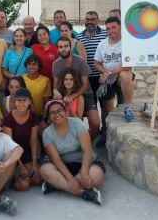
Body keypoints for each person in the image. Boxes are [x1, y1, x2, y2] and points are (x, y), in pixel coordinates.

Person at [40, 100, 105, 205]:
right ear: (49, 116)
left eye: (59, 110)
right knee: (45, 170)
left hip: (85, 162)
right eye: (52, 112)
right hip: (63, 165)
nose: (57, 114)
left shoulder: (77, 123)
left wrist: (84, 174)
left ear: (65, 111)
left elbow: (87, 150)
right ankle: (83, 193)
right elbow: (56, 160)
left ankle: (57, 184)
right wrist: (70, 180)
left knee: (96, 177)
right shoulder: (47, 133)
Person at [52, 37, 100, 141]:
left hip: (85, 93)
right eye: (60, 47)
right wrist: (55, 90)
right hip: (66, 94)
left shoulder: (80, 61)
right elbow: (55, 85)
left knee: (95, 123)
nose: (63, 49)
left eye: (66, 46)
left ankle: (87, 144)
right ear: (57, 49)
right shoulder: (56, 64)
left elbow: (85, 85)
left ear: (70, 47)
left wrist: (73, 96)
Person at [94, 16, 135, 125]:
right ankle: (106, 130)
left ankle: (128, 108)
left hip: (120, 76)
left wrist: (110, 72)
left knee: (125, 75)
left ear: (120, 27)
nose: (110, 31)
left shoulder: (127, 43)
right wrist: (104, 71)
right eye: (107, 28)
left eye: (113, 27)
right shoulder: (102, 44)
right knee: (107, 107)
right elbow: (96, 63)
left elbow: (128, 66)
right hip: (108, 78)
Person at [76, 11, 108, 144]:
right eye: (87, 19)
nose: (89, 21)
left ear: (97, 20)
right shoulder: (79, 36)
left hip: (101, 77)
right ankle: (86, 136)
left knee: (105, 106)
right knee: (87, 109)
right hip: (86, 80)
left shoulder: (105, 34)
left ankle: (104, 132)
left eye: (92, 19)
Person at [2, 88, 41, 190]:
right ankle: (9, 179)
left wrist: (34, 162)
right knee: (24, 185)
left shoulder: (33, 116)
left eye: (24, 100)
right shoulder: (8, 118)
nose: (21, 103)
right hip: (12, 155)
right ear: (15, 101)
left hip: (26, 152)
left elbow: (33, 141)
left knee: (37, 180)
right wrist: (21, 167)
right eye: (18, 100)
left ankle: (19, 175)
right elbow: (10, 145)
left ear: (29, 101)